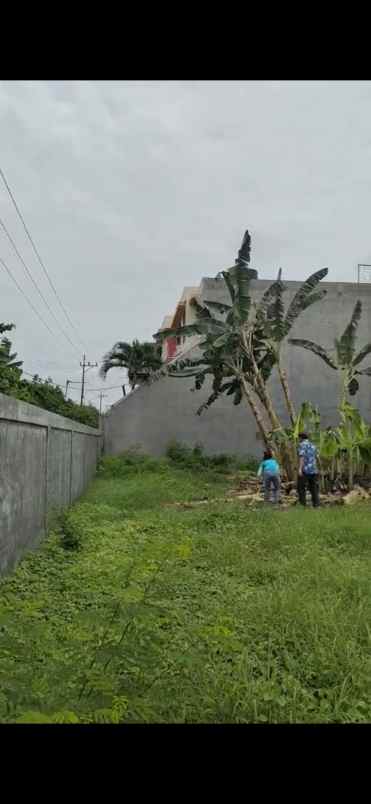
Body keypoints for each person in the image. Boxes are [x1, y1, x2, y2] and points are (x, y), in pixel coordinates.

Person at [297, 432, 320, 507]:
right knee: (314, 488)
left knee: (301, 487)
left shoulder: (302, 445)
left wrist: (300, 468)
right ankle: (316, 504)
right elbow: (317, 457)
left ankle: (302, 505)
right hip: (313, 469)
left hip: (305, 470)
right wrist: (318, 467)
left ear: (300, 438)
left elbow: (302, 457)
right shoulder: (313, 445)